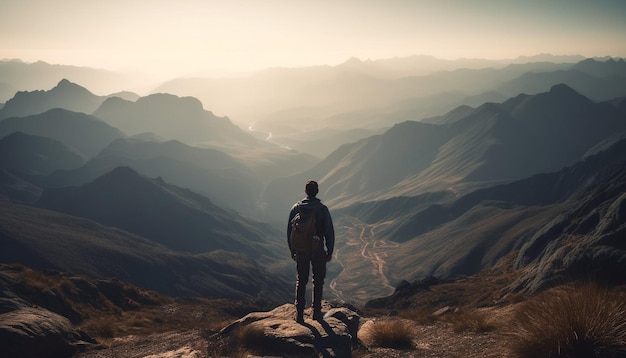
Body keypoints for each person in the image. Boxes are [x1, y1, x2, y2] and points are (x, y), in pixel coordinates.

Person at [287, 180, 335, 323]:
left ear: (305, 191)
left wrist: (293, 250)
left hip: (301, 249)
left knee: (301, 281)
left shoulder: (296, 208)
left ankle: (300, 314)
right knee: (318, 281)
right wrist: (329, 251)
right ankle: (316, 313)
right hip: (317, 248)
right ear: (317, 191)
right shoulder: (322, 209)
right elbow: (329, 231)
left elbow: (290, 232)